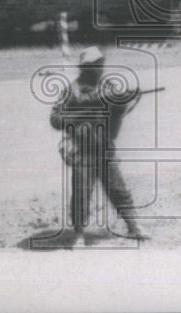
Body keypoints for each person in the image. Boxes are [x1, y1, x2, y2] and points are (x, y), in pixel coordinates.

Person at [49, 47, 148, 241]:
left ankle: (133, 226)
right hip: (81, 150)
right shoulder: (72, 90)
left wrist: (124, 101)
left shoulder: (108, 86)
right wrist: (80, 115)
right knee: (81, 194)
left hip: (104, 147)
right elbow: (55, 119)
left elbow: (118, 111)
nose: (100, 69)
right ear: (85, 67)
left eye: (101, 64)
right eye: (95, 66)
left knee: (118, 189)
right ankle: (78, 234)